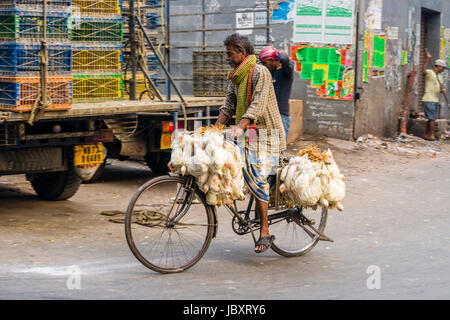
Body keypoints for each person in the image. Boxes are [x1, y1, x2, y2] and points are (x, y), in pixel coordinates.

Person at [215, 33, 286, 253]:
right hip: (250, 133)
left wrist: (239, 127)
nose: (226, 57)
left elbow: (258, 104)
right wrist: (214, 130)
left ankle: (265, 231)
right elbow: (228, 106)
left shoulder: (260, 72)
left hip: (267, 134)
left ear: (242, 52)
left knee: (257, 177)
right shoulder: (237, 76)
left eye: (229, 53)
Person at [259, 46, 294, 141]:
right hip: (266, 116)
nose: (264, 66)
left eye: (265, 63)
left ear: (272, 60)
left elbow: (285, 59)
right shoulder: (270, 73)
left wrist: (277, 53)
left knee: (278, 149)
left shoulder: (286, 73)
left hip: (280, 115)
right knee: (265, 148)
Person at [422, 50, 447, 141]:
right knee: (432, 118)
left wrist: (442, 90)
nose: (443, 69)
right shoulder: (430, 72)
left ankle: (426, 134)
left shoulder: (440, 77)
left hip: (435, 99)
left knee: (430, 118)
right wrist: (427, 60)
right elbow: (423, 71)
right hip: (428, 98)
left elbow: (440, 88)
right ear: (438, 66)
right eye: (442, 67)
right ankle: (431, 135)